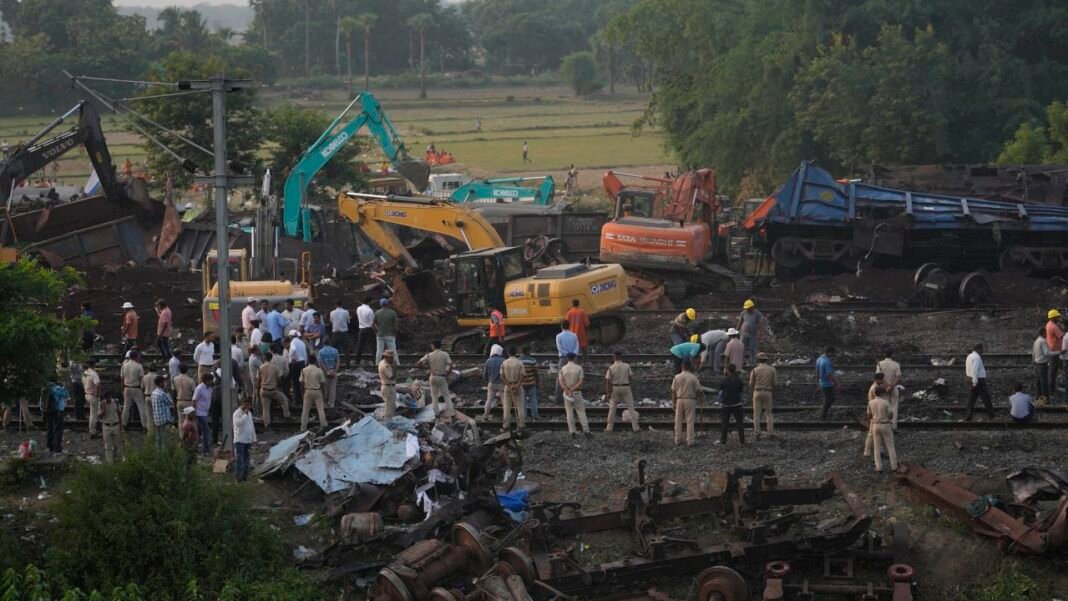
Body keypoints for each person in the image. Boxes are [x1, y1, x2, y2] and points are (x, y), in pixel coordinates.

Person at [605, 351, 639, 432]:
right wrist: (630, 385)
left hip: (615, 387)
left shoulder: (611, 367)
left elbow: (608, 381)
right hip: (626, 386)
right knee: (631, 407)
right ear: (621, 357)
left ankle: (609, 427)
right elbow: (631, 377)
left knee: (612, 407)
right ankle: (636, 427)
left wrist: (608, 392)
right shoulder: (626, 366)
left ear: (614, 357)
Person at [120, 350, 152, 437]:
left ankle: (123, 425)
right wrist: (143, 389)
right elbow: (142, 379)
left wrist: (123, 388)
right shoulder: (139, 366)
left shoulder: (124, 365)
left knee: (126, 407)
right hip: (136, 388)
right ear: (136, 357)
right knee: (141, 407)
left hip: (127, 387)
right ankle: (144, 426)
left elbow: (122, 379)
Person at [671, 360, 702, 447]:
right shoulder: (693, 377)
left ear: (682, 366)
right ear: (689, 366)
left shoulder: (676, 377)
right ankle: (690, 441)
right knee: (690, 420)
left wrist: (673, 402)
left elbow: (673, 391)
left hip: (679, 399)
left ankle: (677, 440)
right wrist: (701, 398)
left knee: (678, 420)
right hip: (690, 400)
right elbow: (699, 390)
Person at [867, 385, 898, 473]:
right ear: (882, 394)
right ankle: (894, 467)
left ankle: (879, 468)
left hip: (875, 425)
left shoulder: (871, 402)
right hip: (885, 425)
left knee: (876, 447)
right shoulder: (885, 402)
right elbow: (891, 414)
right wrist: (888, 418)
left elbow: (869, 415)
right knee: (890, 446)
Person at [416, 340, 453, 413]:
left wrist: (427, 367)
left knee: (434, 396)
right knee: (446, 395)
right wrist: (447, 373)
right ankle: (451, 412)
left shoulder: (429, 355)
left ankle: (436, 413)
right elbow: (451, 365)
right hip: (441, 376)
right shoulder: (445, 354)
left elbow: (418, 363)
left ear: (433, 346)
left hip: (432, 376)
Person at [558, 353, 590, 436]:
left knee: (569, 412)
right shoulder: (579, 368)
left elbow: (561, 382)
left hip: (567, 393)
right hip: (577, 392)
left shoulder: (563, 368)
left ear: (567, 358)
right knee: (581, 411)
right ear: (574, 358)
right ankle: (586, 430)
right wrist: (573, 389)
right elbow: (580, 382)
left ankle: (572, 431)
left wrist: (567, 390)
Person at [259, 352, 290, 427]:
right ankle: (286, 416)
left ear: (265, 358)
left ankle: (267, 425)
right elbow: (279, 379)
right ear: (271, 358)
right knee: (284, 400)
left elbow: (258, 380)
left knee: (265, 409)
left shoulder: (261, 367)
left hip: (263, 390)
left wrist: (258, 390)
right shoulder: (275, 367)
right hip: (273, 390)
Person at [749, 352, 777, 437]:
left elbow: (751, 383)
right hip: (767, 392)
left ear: (758, 360)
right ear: (766, 360)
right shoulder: (772, 369)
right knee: (769, 413)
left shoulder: (755, 370)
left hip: (757, 391)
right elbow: (775, 383)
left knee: (756, 413)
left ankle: (757, 432)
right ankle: (770, 432)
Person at [965, 343, 995, 421]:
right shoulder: (977, 357)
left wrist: (972, 382)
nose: (982, 351)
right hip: (978, 381)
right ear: (978, 349)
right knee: (986, 398)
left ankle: (968, 416)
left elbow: (968, 369)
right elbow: (975, 370)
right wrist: (975, 382)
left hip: (970, 379)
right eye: (982, 349)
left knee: (971, 399)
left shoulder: (969, 356)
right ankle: (992, 416)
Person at [719, 363, 746, 446]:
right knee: (739, 423)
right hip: (737, 404)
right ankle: (742, 441)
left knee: (725, 423)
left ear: (727, 370)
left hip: (726, 404)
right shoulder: (739, 380)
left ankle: (723, 441)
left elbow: (721, 390)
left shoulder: (724, 380)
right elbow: (741, 391)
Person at [501, 347, 526, 431]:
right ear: (516, 353)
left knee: (507, 407)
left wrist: (509, 386)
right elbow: (522, 376)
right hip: (518, 386)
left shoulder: (504, 363)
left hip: (508, 387)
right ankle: (521, 426)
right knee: (520, 407)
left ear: (508, 353)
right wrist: (517, 386)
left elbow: (502, 377)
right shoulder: (520, 363)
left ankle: (505, 426)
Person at [876, 348, 903, 429]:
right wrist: (891, 386)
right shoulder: (896, 364)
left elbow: (878, 377)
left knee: (884, 406)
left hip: (883, 388)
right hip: (893, 388)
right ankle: (893, 426)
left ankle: (885, 425)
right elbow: (898, 378)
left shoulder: (880, 364)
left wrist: (886, 386)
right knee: (894, 407)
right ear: (892, 355)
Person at [300, 355, 327, 431]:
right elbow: (322, 383)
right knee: (320, 410)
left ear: (308, 361)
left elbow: (301, 383)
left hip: (308, 391)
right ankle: (324, 425)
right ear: (315, 361)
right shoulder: (319, 370)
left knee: (305, 410)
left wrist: (302, 393)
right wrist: (323, 393)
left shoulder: (304, 370)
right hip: (317, 391)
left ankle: (303, 427)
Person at [555, 321, 580, 402]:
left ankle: (558, 397)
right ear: (569, 326)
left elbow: (560, 349)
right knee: (574, 377)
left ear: (561, 326)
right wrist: (573, 354)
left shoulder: (558, 336)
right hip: (573, 358)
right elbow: (577, 347)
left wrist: (567, 354)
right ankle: (573, 396)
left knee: (560, 377)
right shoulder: (574, 335)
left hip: (563, 358)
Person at [735, 300, 764, 366]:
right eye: (746, 308)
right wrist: (736, 331)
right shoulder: (743, 313)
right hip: (743, 334)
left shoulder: (757, 314)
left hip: (752, 334)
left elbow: (761, 324)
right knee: (742, 348)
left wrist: (760, 333)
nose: (747, 309)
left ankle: (753, 363)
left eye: (748, 308)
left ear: (752, 307)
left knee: (752, 348)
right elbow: (740, 322)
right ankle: (742, 361)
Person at [233, 398, 256, 481]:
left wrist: (254, 438)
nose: (248, 407)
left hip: (248, 439)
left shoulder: (249, 413)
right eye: (247, 404)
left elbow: (251, 426)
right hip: (240, 440)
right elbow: (238, 423)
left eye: (249, 405)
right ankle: (238, 478)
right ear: (243, 404)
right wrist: (245, 415)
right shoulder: (237, 413)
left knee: (247, 459)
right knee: (239, 459)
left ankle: (244, 477)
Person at [150, 375, 175, 449]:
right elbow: (170, 402)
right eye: (164, 381)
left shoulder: (153, 393)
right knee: (164, 439)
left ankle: (158, 454)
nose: (165, 383)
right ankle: (164, 456)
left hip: (157, 418)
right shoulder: (162, 394)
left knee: (158, 438)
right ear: (161, 383)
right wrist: (167, 392)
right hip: (164, 418)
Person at [44, 381, 68, 454]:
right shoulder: (58, 388)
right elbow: (66, 395)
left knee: (50, 428)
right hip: (58, 410)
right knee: (58, 429)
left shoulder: (45, 388)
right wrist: (63, 387)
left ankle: (50, 447)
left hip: (47, 410)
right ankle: (57, 448)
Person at [374, 298, 399, 365]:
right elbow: (396, 325)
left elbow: (373, 324)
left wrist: (376, 332)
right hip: (390, 334)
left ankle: (377, 364)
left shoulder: (377, 312)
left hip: (380, 335)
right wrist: (395, 332)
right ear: (387, 304)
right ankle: (396, 363)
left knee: (379, 350)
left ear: (381, 304)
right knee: (393, 350)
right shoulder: (392, 313)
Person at [482, 345, 505, 419]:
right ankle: (506, 416)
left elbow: (485, 374)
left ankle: (485, 415)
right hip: (501, 383)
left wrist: (488, 381)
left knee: (489, 400)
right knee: (504, 401)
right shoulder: (503, 360)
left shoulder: (488, 361)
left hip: (491, 383)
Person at [1032, 328, 1056, 400]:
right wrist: (1057, 353)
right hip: (1042, 364)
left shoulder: (1036, 341)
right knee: (1044, 383)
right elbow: (1047, 353)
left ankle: (1038, 398)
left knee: (1038, 383)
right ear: (1043, 333)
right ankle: (1046, 401)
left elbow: (1033, 353)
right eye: (1046, 333)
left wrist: (1034, 363)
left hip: (1037, 364)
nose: (1047, 334)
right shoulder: (1043, 341)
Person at [193, 373, 213, 455]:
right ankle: (206, 450)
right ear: (206, 381)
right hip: (199, 412)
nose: (212, 382)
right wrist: (194, 412)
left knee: (200, 431)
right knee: (206, 431)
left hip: (205, 412)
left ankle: (199, 448)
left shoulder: (210, 389)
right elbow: (194, 400)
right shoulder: (199, 388)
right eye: (210, 380)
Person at [100, 392, 122, 463]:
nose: (108, 399)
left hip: (116, 425)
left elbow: (119, 413)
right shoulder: (101, 404)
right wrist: (103, 410)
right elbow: (98, 416)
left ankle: (117, 459)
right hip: (106, 426)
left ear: (110, 396)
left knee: (117, 444)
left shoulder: (116, 402)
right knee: (108, 446)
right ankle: (110, 463)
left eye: (109, 397)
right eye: (106, 398)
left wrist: (120, 426)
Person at [318, 336, 340, 409]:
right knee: (333, 388)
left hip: (325, 371)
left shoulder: (321, 351)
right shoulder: (335, 350)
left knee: (325, 387)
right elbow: (338, 362)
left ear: (323, 342)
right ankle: (331, 404)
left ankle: (325, 403)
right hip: (333, 370)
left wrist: (326, 371)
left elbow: (321, 363)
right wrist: (334, 371)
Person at [817, 346, 838, 420]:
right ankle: (823, 415)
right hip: (827, 384)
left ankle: (824, 414)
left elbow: (817, 371)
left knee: (829, 399)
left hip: (822, 382)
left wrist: (818, 382)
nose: (832, 355)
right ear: (829, 352)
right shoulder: (827, 361)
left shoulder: (819, 359)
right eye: (832, 353)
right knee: (830, 399)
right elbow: (829, 374)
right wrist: (836, 383)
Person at [288, 330, 309, 403]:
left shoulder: (293, 342)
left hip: (296, 364)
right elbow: (305, 355)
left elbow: (293, 350)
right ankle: (303, 399)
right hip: (302, 363)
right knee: (302, 382)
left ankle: (297, 400)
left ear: (291, 336)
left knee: (295, 382)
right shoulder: (302, 342)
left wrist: (291, 359)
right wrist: (305, 363)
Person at [82, 359, 102, 437]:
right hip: (93, 395)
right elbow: (97, 384)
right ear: (94, 364)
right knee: (93, 414)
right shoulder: (94, 374)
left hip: (87, 393)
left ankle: (95, 428)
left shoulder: (85, 373)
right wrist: (97, 394)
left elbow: (83, 383)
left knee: (94, 412)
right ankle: (93, 431)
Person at [520, 346, 540, 420]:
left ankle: (524, 416)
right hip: (531, 383)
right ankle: (535, 415)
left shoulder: (519, 361)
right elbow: (536, 372)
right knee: (533, 399)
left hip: (522, 383)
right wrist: (537, 381)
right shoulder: (533, 360)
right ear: (528, 351)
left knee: (523, 401)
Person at [1047, 309, 1064, 394]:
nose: (1058, 317)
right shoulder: (1054, 326)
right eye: (1057, 316)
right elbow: (1062, 336)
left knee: (1053, 370)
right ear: (1053, 317)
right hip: (1055, 351)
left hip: (1052, 350)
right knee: (1053, 370)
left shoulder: (1049, 324)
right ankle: (1051, 389)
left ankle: (1053, 387)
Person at [355, 297, 376, 364]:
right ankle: (374, 361)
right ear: (369, 302)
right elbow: (372, 322)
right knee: (373, 346)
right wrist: (375, 331)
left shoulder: (358, 308)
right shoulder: (370, 310)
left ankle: (357, 361)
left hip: (361, 329)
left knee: (360, 346)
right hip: (369, 329)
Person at [379, 349, 397, 417]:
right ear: (386, 357)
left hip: (387, 386)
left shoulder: (381, 362)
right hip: (388, 387)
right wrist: (395, 367)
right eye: (391, 357)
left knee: (390, 406)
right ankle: (387, 422)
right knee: (389, 408)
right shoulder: (386, 366)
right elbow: (391, 377)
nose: (392, 359)